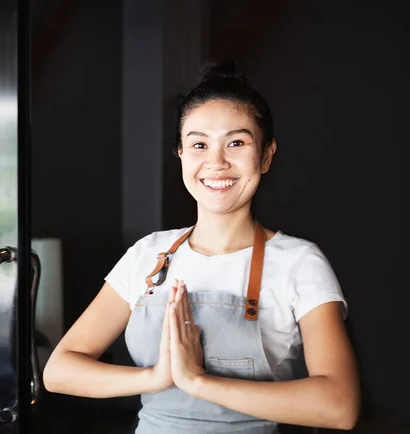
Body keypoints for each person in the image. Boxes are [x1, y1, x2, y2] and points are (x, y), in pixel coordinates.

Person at [43, 62, 360, 433]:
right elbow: (59, 370)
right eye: (198, 144)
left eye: (237, 143)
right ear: (180, 154)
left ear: (267, 155)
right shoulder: (149, 255)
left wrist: (198, 381)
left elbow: (339, 406)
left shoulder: (299, 263)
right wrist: (157, 376)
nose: (216, 162)